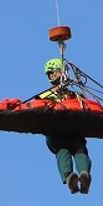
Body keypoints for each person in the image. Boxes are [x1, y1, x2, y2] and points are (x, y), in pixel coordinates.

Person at [38, 58, 92, 194]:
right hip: (55, 131)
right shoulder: (44, 96)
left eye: (55, 72)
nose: (52, 76)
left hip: (73, 129)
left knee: (79, 149)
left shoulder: (75, 95)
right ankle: (70, 178)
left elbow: (88, 107)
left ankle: (84, 175)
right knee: (63, 150)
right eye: (50, 74)